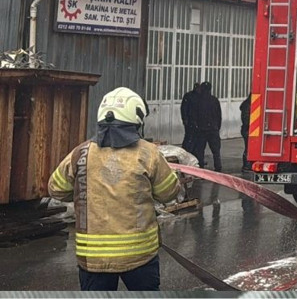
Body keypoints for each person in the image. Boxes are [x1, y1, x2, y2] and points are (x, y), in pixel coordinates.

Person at [48, 87, 182, 291]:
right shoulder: (148, 154)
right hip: (139, 256)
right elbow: (168, 193)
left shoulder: (80, 153)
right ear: (136, 118)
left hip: (93, 259)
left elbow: (56, 189)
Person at [190, 81, 222, 171]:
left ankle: (201, 167)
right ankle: (218, 166)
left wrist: (195, 126)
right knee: (216, 150)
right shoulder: (214, 100)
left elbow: (194, 115)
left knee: (200, 150)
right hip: (213, 129)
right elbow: (219, 115)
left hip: (201, 129)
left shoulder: (198, 101)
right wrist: (217, 127)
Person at [180, 82, 200, 154]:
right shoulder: (189, 96)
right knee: (189, 137)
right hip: (190, 121)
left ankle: (194, 153)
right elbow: (184, 108)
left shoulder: (199, 96)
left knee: (196, 139)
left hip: (197, 121)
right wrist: (185, 119)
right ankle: (184, 152)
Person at [240, 94, 252, 170]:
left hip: (246, 129)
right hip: (248, 129)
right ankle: (247, 165)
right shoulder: (248, 105)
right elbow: (246, 120)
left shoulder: (245, 104)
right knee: (248, 148)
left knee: (248, 147)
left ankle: (247, 165)